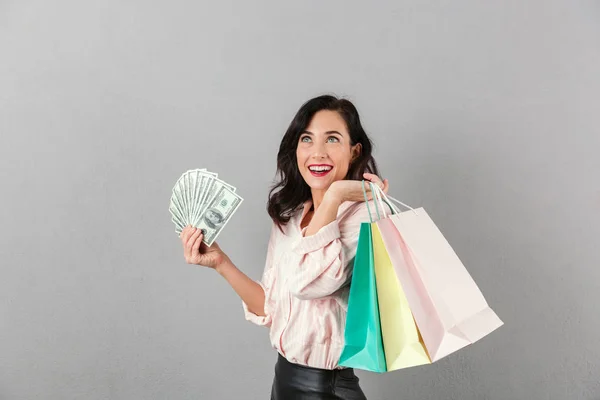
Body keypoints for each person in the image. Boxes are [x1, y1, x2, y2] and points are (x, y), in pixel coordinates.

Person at [180, 95, 388, 399]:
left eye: (332, 139)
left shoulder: (367, 217)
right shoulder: (291, 217)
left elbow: (310, 283)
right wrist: (221, 262)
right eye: (307, 139)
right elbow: (271, 308)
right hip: (283, 380)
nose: (317, 152)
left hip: (327, 388)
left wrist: (335, 197)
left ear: (354, 151)